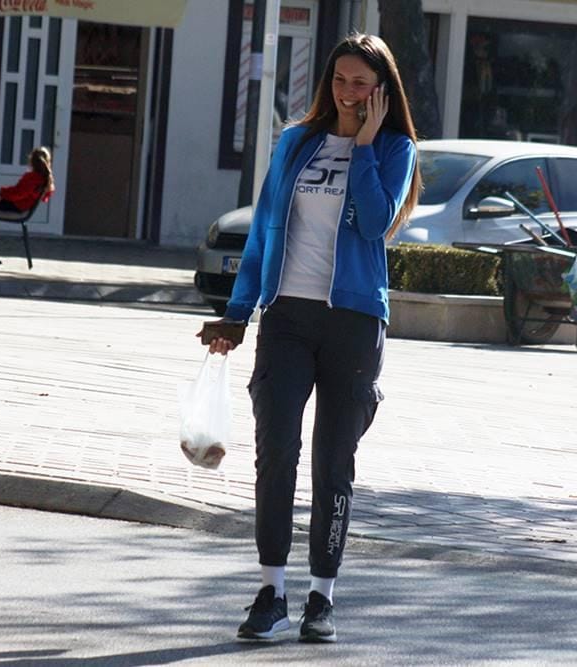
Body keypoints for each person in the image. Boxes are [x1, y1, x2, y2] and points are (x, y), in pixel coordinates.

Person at [199, 33, 420, 644]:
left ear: (382, 91)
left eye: (361, 83)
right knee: (276, 451)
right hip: (287, 318)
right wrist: (237, 313)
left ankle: (322, 595)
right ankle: (271, 590)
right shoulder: (297, 142)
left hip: (354, 322)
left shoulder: (395, 149)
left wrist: (365, 146)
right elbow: (265, 232)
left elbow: (374, 222)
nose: (349, 92)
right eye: (340, 80)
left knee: (332, 462)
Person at [0, 146, 55, 264]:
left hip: (17, 207)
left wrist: (0, 192)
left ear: (32, 161)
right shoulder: (46, 180)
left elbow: (17, 194)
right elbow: (45, 198)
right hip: (22, 207)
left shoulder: (32, 178)